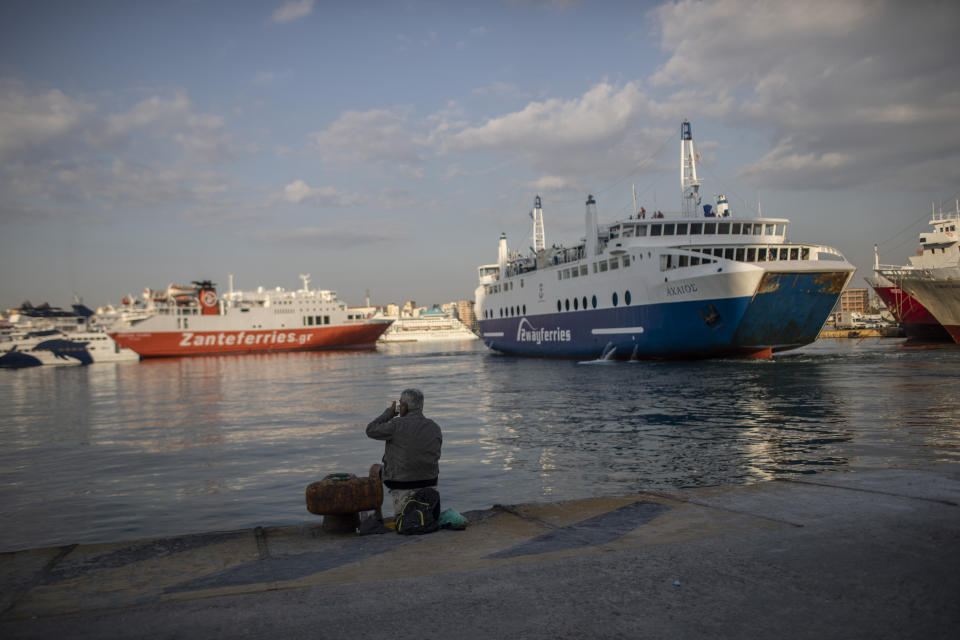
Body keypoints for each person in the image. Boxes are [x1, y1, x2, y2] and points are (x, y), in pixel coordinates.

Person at [366, 388, 442, 519]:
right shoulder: (434, 427)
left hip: (401, 482)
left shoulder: (395, 425)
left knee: (374, 469)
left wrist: (388, 413)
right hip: (430, 480)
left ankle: (377, 517)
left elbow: (370, 430)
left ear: (405, 407)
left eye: (400, 404)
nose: (399, 407)